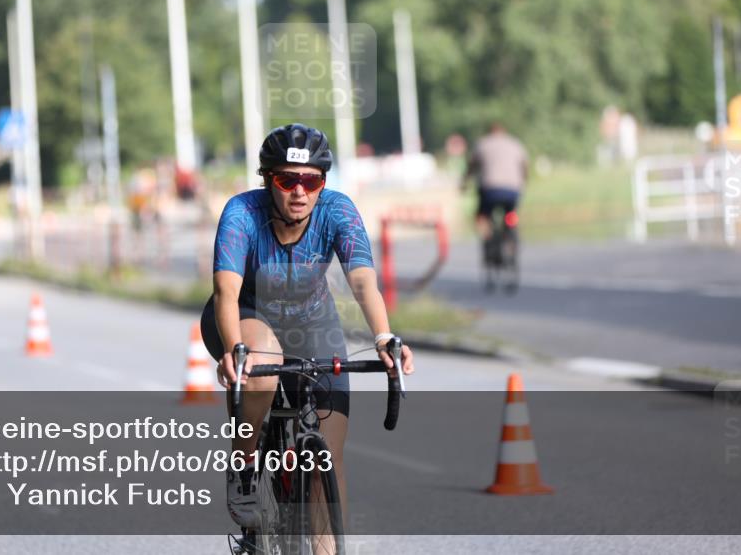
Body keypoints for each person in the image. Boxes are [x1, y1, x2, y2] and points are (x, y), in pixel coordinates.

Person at [201, 123, 415, 532]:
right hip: (246, 313)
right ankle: (244, 468)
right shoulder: (242, 212)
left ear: (322, 183)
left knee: (326, 462)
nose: (300, 192)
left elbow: (363, 280)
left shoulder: (337, 209)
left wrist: (384, 337)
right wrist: (233, 351)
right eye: (287, 180)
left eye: (311, 181)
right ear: (267, 180)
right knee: (263, 363)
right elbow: (225, 291)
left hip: (312, 319)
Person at [460, 121, 528, 242]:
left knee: (482, 215)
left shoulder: (482, 144)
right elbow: (525, 166)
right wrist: (523, 182)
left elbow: (471, 167)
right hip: (513, 190)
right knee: (511, 211)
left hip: (489, 190)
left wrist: (464, 182)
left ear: (490, 132)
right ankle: (511, 228)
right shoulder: (515, 144)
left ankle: (487, 237)